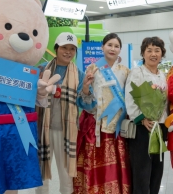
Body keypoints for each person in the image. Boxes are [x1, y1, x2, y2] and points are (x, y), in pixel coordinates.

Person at [73, 33, 131, 193]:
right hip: (95, 123)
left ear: (120, 50)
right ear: (102, 47)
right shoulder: (92, 68)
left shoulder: (125, 71)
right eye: (109, 45)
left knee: (116, 164)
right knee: (94, 163)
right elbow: (85, 98)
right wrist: (85, 86)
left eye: (116, 46)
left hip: (116, 125)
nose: (113, 48)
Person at [36, 32, 91, 194]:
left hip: (67, 131)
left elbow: (85, 104)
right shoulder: (41, 70)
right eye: (64, 48)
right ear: (56, 48)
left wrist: (87, 89)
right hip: (42, 129)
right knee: (41, 173)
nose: (68, 52)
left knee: (66, 174)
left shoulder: (79, 75)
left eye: (72, 49)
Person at [125, 37, 168, 194]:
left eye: (157, 50)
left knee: (157, 170)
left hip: (159, 128)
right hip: (142, 129)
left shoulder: (163, 75)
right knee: (142, 171)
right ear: (143, 53)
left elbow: (166, 101)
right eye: (149, 50)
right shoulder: (136, 73)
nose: (153, 54)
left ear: (162, 54)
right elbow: (130, 98)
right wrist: (142, 118)